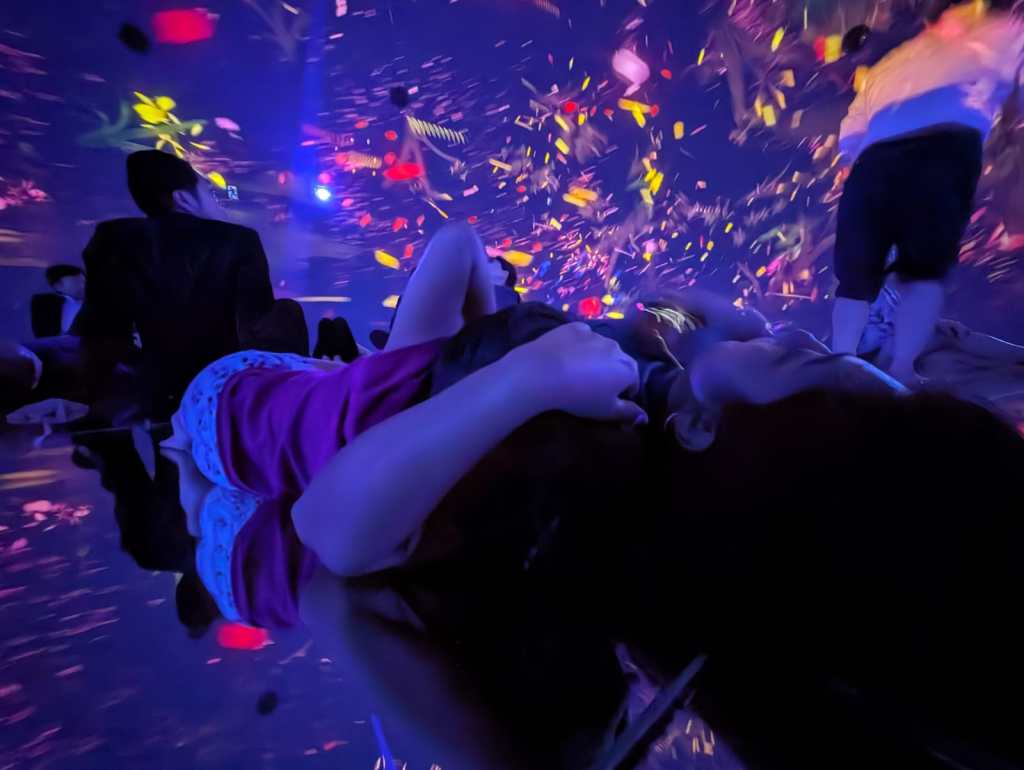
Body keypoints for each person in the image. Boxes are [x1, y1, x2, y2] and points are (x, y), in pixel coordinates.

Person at [162, 222, 644, 577]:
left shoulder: (417, 358)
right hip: (234, 426)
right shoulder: (426, 493)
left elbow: (457, 239)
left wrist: (514, 355)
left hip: (234, 396)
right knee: (328, 380)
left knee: (331, 377)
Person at [831, 0, 1024, 384]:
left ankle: (843, 360)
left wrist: (851, 159)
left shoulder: (891, 62)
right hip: (941, 150)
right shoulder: (1006, 31)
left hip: (880, 159)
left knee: (858, 272)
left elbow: (852, 128)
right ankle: (897, 368)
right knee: (923, 270)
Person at [72, 150, 278, 419]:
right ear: (182, 198)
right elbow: (260, 330)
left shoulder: (113, 239)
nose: (217, 203)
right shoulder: (239, 240)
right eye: (209, 193)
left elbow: (101, 333)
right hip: (225, 393)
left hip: (148, 396)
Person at [31, 265, 85, 338]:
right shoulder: (44, 304)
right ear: (58, 285)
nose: (83, 286)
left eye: (84, 281)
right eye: (77, 282)